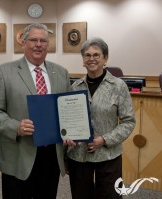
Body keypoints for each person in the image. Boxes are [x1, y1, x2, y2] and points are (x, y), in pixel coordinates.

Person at [0, 23, 72, 199]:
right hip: (19, 154)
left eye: (43, 41)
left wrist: (73, 130)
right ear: (23, 43)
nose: (38, 44)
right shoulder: (4, 72)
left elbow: (68, 110)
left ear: (48, 45)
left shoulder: (61, 73)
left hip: (51, 155)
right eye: (33, 40)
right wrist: (16, 127)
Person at [65, 37, 136, 199]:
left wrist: (104, 139)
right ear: (82, 60)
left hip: (108, 155)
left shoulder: (118, 86)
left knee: (109, 195)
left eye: (96, 55)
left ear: (105, 58)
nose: (91, 59)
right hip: (79, 155)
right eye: (87, 55)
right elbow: (68, 120)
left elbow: (128, 122)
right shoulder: (74, 87)